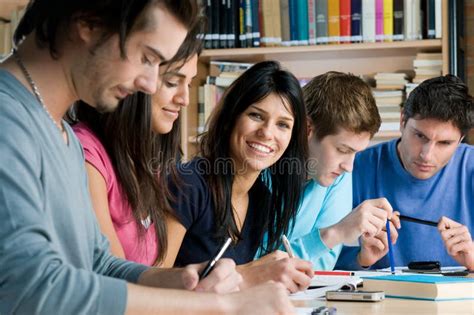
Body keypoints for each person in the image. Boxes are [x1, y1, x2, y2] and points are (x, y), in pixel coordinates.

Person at [0, 1, 294, 314]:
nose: (149, 84)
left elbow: (100, 265)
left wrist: (185, 279)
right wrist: (218, 306)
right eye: (147, 58)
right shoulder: (8, 121)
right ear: (88, 21)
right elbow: (29, 286)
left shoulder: (64, 137)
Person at [163, 60, 314, 292]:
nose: (266, 133)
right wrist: (250, 274)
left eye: (283, 125)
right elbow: (152, 281)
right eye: (256, 115)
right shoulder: (188, 184)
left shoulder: (261, 198)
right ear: (231, 118)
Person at [70, 25, 202, 266]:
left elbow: (155, 273)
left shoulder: (152, 161)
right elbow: (114, 278)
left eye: (190, 84)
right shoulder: (86, 154)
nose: (185, 100)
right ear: (136, 81)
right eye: (173, 82)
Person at [260, 71, 397, 270]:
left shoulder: (337, 174)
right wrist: (334, 233)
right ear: (307, 128)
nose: (349, 167)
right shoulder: (261, 167)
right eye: (342, 150)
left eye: (355, 154)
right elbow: (246, 266)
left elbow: (324, 265)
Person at [335, 75, 474, 271]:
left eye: (444, 143)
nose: (427, 155)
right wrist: (361, 259)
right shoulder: (352, 168)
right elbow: (321, 264)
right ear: (402, 121)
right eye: (420, 136)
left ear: (460, 140)